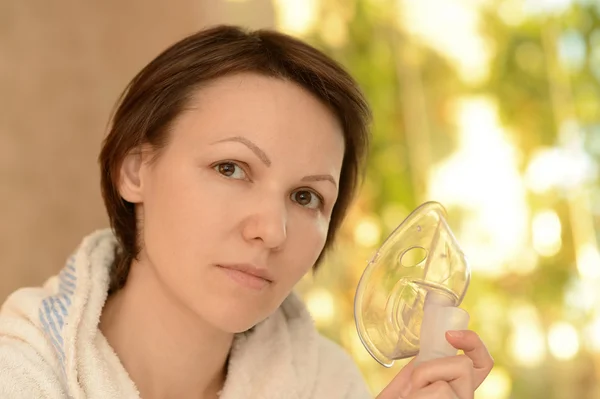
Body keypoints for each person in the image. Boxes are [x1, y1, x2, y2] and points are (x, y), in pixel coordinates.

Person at [0, 25, 493, 399]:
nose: (270, 231)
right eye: (231, 168)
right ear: (134, 170)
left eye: (306, 197)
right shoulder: (21, 372)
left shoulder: (327, 384)